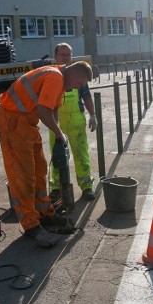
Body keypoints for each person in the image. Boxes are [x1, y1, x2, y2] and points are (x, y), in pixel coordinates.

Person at [0, 60, 93, 247]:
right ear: (74, 75)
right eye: (79, 83)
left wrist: (59, 135)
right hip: (12, 121)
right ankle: (31, 224)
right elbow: (43, 110)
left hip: (27, 123)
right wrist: (58, 133)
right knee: (23, 175)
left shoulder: (60, 77)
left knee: (39, 170)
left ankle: (44, 213)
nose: (78, 87)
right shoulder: (55, 77)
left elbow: (53, 107)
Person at [48, 43, 97, 205]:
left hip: (76, 120)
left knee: (81, 154)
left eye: (68, 55)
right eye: (62, 54)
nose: (65, 58)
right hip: (57, 121)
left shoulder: (78, 74)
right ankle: (55, 188)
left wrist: (93, 115)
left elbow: (87, 96)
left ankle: (86, 186)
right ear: (55, 56)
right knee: (58, 155)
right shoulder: (53, 75)